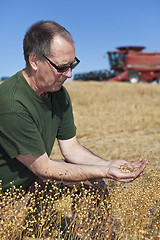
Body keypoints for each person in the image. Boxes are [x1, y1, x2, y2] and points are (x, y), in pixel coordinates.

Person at [0, 21, 147, 237]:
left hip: (32, 180)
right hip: (7, 194)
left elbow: (71, 148)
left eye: (73, 64)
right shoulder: (12, 104)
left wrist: (110, 165)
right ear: (34, 61)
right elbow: (45, 169)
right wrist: (106, 171)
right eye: (61, 67)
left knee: (92, 184)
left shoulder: (58, 94)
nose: (69, 74)